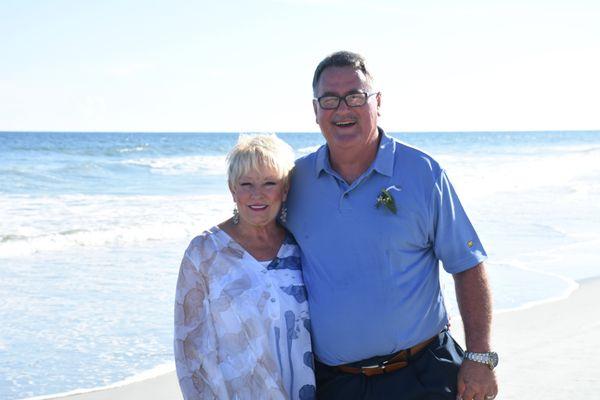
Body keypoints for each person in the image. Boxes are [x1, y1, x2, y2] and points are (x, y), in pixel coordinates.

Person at [285, 51, 499, 400]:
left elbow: (467, 263)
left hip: (422, 376)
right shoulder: (295, 182)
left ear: (378, 102)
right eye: (329, 99)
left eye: (355, 96)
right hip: (336, 385)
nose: (342, 109)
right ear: (315, 110)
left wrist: (479, 357)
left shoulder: (423, 173)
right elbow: (254, 234)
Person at [174, 134, 316, 399]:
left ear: (285, 189)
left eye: (269, 183)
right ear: (232, 189)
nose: (257, 194)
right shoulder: (204, 252)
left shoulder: (301, 248)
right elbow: (190, 348)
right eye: (246, 184)